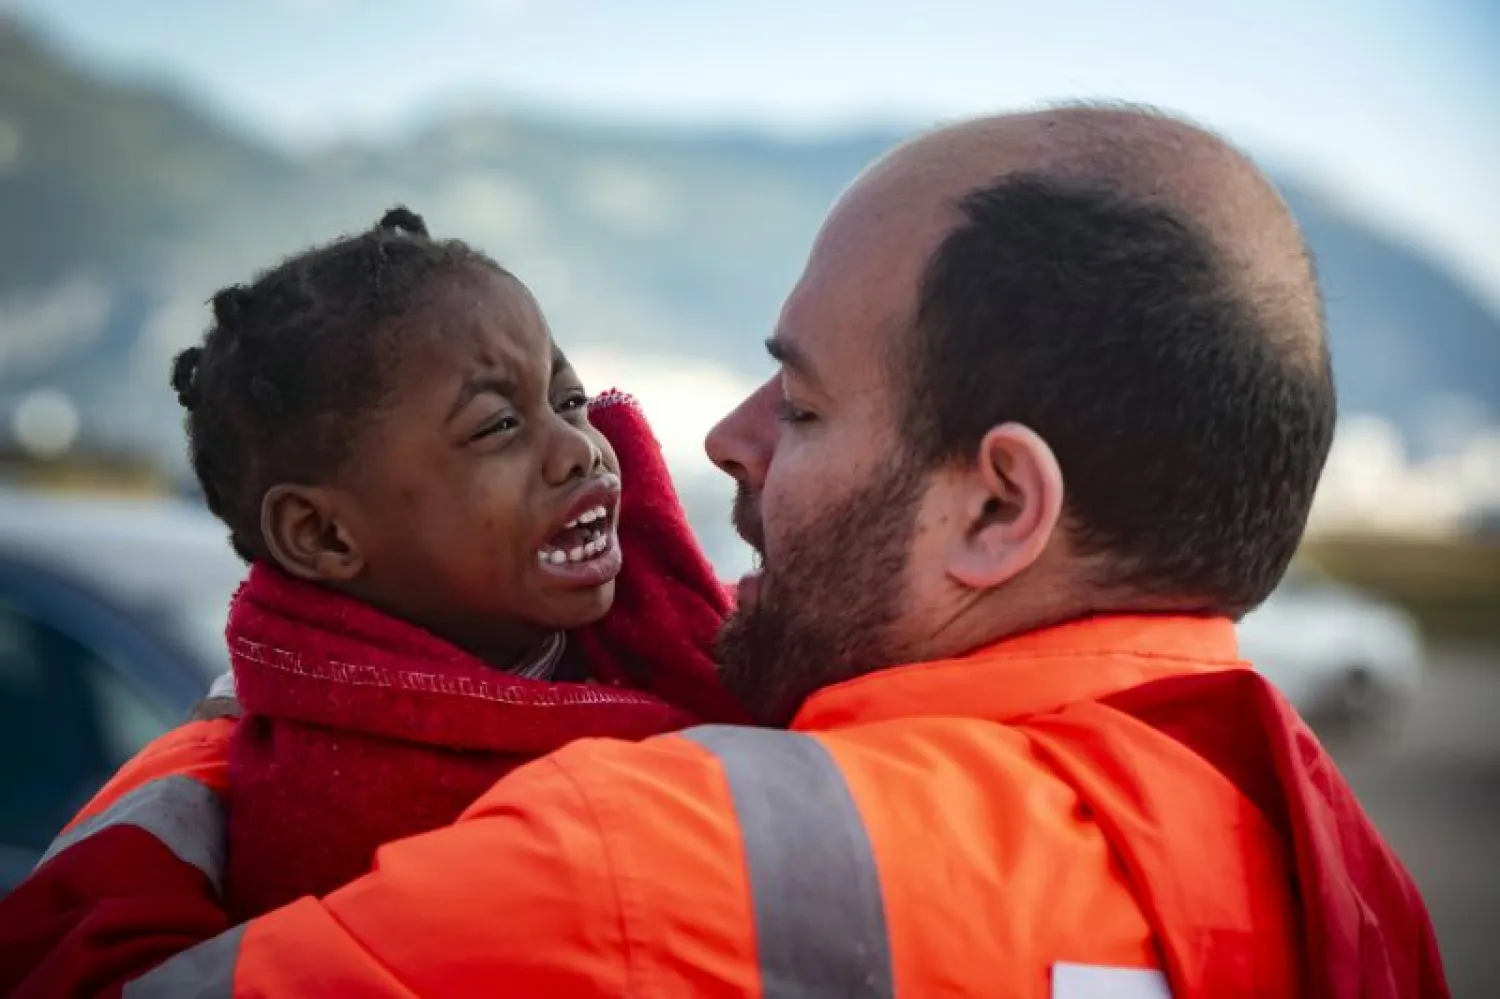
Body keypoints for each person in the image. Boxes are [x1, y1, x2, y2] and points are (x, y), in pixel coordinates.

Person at [5, 103, 1450, 998]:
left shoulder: (665, 853)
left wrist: (259, 694)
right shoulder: (1340, 871)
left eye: (805, 401)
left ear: (1002, 507)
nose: (717, 441)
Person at [0, 208, 743, 993]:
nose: (580, 450)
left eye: (567, 400)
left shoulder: (671, 631)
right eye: (497, 425)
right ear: (322, 533)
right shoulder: (333, 821)